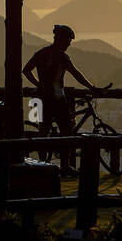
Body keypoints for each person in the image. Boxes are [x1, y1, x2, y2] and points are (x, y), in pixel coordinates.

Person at [23, 24, 99, 173]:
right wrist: (92, 88)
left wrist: (38, 85)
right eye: (68, 40)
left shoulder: (41, 53)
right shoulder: (62, 57)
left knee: (43, 132)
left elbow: (26, 70)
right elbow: (77, 75)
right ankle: (65, 166)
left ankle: (41, 166)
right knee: (66, 132)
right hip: (58, 99)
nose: (69, 44)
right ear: (61, 39)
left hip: (43, 98)